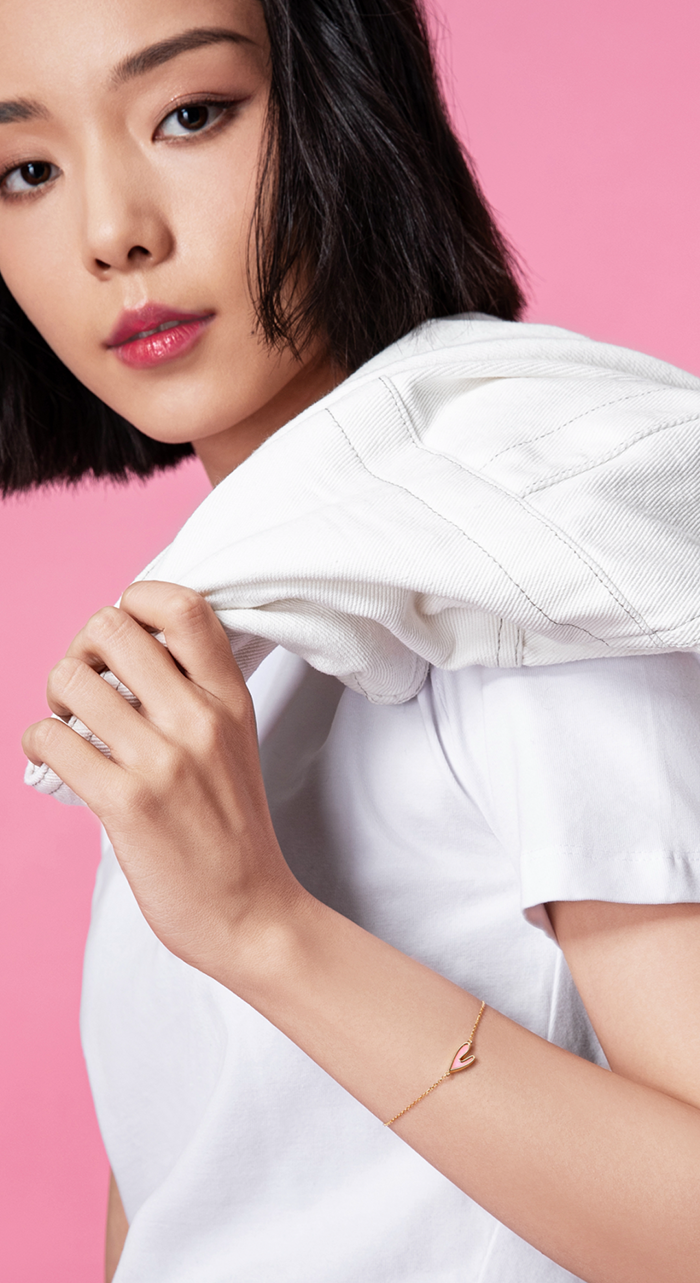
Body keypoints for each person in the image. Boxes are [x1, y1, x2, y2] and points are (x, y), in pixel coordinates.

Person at [3, 1, 700, 1281]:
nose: (113, 231)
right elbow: (195, 1190)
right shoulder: (241, 609)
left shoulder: (517, 555)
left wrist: (262, 926)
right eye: (26, 171)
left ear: (344, 99)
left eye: (191, 114)